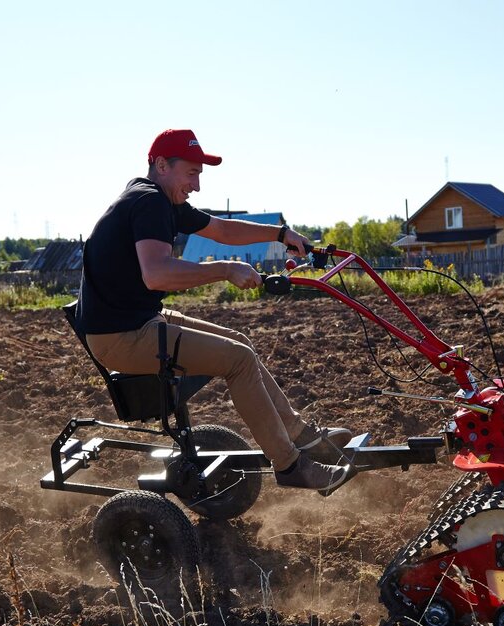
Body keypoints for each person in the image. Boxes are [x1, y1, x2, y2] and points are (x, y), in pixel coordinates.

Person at [76, 128, 353, 492]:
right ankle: (290, 465)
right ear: (162, 165)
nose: (197, 185)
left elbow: (220, 229)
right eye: (192, 173)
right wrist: (224, 269)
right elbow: (156, 274)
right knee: (236, 359)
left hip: (135, 321)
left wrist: (280, 234)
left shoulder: (158, 200)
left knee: (240, 344)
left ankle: (301, 434)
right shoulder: (149, 203)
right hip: (122, 336)